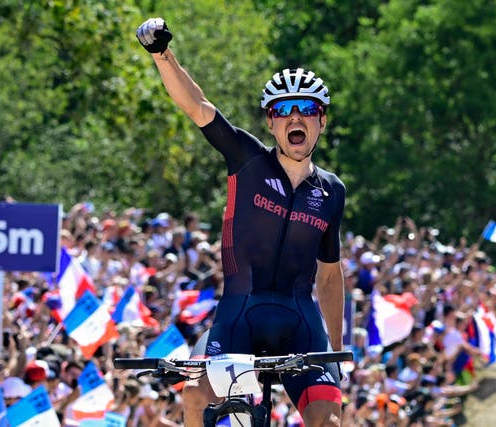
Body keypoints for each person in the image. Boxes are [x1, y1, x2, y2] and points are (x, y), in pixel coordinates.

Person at [136, 17, 346, 427]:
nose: (294, 118)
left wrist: (337, 354)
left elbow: (330, 277)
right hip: (240, 315)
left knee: (330, 422)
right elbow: (197, 106)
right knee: (195, 395)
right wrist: (162, 55)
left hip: (300, 321)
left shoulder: (332, 191)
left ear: (321, 121)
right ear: (270, 122)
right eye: (283, 110)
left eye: (307, 109)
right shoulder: (247, 160)